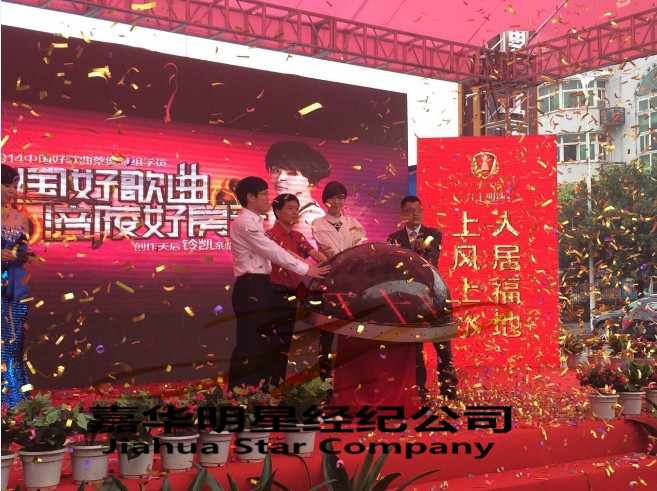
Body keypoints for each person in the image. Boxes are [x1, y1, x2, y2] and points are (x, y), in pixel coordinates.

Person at [228, 177, 330, 389]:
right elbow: (274, 252)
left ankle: (259, 391)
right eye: (264, 194)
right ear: (250, 197)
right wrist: (307, 269)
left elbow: (288, 253)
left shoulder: (259, 223)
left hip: (264, 286)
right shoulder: (245, 223)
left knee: (263, 344)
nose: (268, 198)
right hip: (252, 286)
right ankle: (238, 395)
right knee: (249, 344)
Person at [387, 195, 458, 400]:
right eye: (410, 211)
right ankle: (419, 390)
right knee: (415, 347)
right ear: (403, 214)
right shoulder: (393, 239)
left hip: (435, 295)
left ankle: (449, 390)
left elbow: (429, 262)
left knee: (442, 343)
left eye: (419, 210)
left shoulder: (433, 234)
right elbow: (395, 270)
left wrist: (409, 265)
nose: (415, 214)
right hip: (409, 300)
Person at [265, 193, 327, 383]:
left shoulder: (298, 235)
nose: (295, 212)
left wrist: (330, 263)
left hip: (293, 292)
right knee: (275, 341)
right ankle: (269, 385)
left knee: (286, 342)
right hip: (276, 293)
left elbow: (314, 253)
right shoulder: (270, 235)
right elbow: (290, 256)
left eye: (296, 208)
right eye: (290, 208)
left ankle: (278, 385)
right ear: (277, 211)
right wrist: (312, 269)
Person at [312, 181, 366, 379]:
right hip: (329, 281)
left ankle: (351, 377)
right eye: (332, 197)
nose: (336, 202)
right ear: (325, 200)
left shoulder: (354, 223)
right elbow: (331, 251)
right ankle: (325, 378)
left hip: (352, 282)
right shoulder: (318, 223)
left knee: (352, 329)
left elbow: (360, 249)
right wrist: (347, 260)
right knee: (327, 331)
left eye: (341, 197)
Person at [1, 165, 33, 407]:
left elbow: (23, 251)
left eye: (15, 186)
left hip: (16, 286)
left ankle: (16, 400)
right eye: (7, 185)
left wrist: (22, 255)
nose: (12, 191)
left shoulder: (21, 218)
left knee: (13, 344)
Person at [265, 141, 331, 234]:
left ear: (311, 180)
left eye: (292, 173)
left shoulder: (310, 218)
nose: (280, 178)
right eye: (275, 170)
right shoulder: (276, 209)